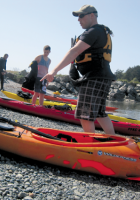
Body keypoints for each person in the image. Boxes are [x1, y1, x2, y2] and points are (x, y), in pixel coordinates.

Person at [41, 5, 116, 135]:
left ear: (92, 15)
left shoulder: (93, 31)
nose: (78, 19)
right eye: (78, 16)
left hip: (93, 77)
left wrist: (54, 71)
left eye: (81, 16)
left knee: (85, 114)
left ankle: (91, 149)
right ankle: (113, 141)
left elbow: (74, 51)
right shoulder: (102, 31)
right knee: (100, 113)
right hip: (103, 77)